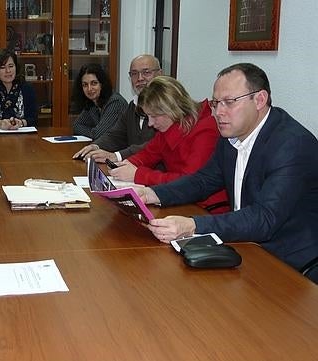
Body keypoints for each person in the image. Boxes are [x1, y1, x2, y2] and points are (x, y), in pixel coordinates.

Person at [135, 63, 318, 282]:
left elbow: (264, 218)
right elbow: (203, 181)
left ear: (259, 100)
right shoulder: (231, 135)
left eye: (229, 102)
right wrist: (152, 194)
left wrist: (192, 225)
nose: (218, 112)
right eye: (215, 103)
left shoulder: (291, 145)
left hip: (293, 267)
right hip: (248, 249)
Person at [109, 76, 229, 213]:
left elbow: (189, 182)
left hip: (204, 209)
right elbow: (147, 154)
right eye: (148, 116)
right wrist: (126, 165)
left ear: (172, 109)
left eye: (154, 116)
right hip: (178, 200)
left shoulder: (206, 131)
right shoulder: (171, 125)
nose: (150, 123)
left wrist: (138, 174)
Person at [73, 54, 159, 161]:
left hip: (162, 172)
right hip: (135, 166)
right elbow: (116, 135)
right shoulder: (133, 105)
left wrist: (117, 156)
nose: (140, 78)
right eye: (134, 74)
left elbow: (157, 144)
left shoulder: (167, 106)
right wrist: (95, 146)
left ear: (160, 74)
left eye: (146, 72)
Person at [71, 63, 130, 141]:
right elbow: (76, 125)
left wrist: (93, 132)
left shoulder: (115, 102)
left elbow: (98, 135)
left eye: (94, 83)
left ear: (102, 84)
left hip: (120, 150)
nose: (89, 89)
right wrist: (93, 132)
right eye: (85, 85)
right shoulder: (93, 102)